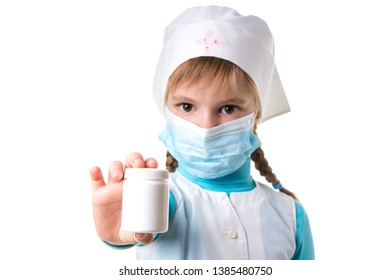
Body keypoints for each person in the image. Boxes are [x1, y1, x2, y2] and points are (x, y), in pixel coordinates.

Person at [90, 5, 315, 260]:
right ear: (167, 110)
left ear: (257, 115)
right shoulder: (160, 201)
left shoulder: (290, 217)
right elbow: (139, 227)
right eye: (187, 106)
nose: (206, 126)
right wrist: (120, 229)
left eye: (228, 108)